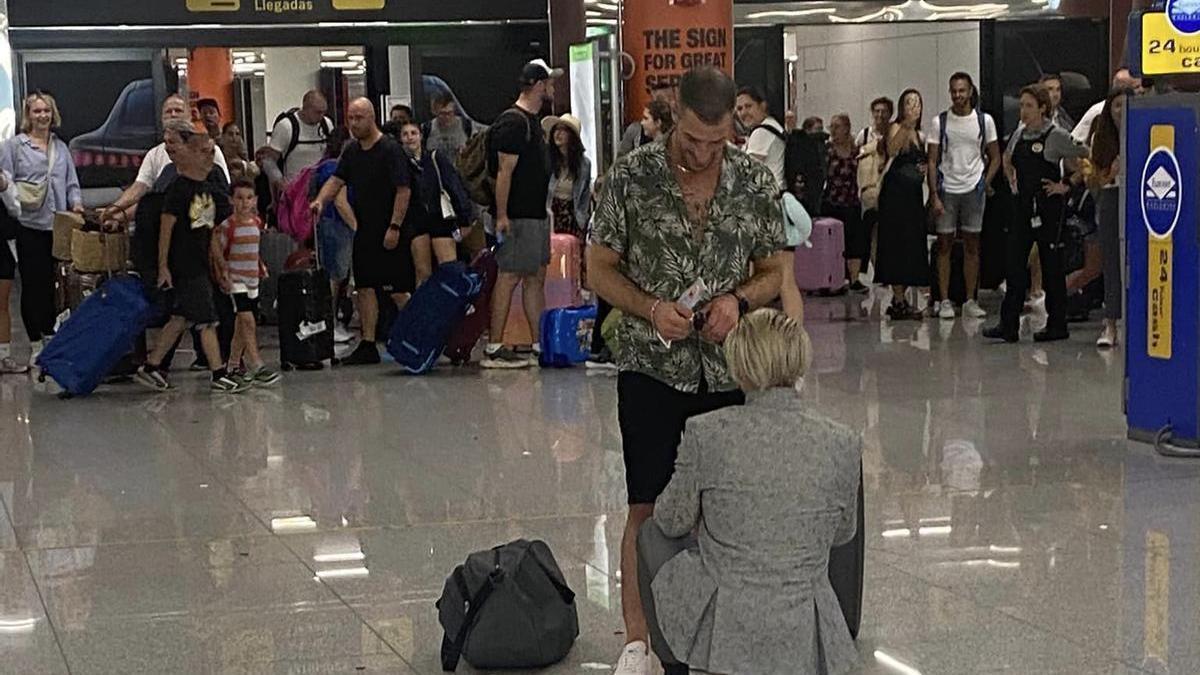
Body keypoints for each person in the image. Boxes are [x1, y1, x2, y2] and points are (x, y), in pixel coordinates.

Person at [587, 65, 786, 675]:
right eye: (692, 138)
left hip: (729, 371)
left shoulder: (754, 180)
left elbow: (775, 270)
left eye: (716, 140)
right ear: (673, 114)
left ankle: (721, 632)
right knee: (645, 504)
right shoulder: (629, 178)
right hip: (651, 367)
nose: (702, 152)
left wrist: (739, 301)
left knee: (727, 507)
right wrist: (648, 308)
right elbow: (597, 269)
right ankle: (637, 642)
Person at [637, 308, 860, 675]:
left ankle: (672, 660)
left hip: (728, 617)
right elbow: (843, 533)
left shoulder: (706, 432)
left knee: (649, 534)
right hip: (804, 614)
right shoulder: (843, 442)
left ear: (739, 365)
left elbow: (670, 520)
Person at [134, 121, 247, 394]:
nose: (211, 157)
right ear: (190, 153)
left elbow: (207, 232)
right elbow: (166, 228)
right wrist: (163, 266)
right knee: (206, 320)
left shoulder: (206, 189)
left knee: (181, 317)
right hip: (184, 266)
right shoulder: (179, 189)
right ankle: (219, 372)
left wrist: (218, 265)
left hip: (199, 264)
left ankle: (151, 366)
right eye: (205, 152)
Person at [309, 98, 415, 366]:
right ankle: (368, 343)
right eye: (351, 118)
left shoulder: (391, 150)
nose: (354, 124)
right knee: (365, 287)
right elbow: (336, 180)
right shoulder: (352, 152)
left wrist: (395, 226)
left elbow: (404, 191)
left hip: (389, 229)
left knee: (397, 290)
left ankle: (418, 335)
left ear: (372, 118)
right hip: (364, 229)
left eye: (359, 118)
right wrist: (321, 201)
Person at [984, 85, 1088, 343]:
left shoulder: (1056, 135)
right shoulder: (1019, 134)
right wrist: (1011, 179)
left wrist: (1067, 185)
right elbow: (1007, 158)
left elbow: (1085, 158)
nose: (1023, 110)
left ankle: (1057, 324)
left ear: (1042, 108)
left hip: (1048, 208)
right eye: (1021, 105)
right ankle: (1008, 324)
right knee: (1015, 264)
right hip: (1022, 207)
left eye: (1029, 106)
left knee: (1051, 267)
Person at [480, 59, 561, 369]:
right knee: (509, 275)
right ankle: (494, 346)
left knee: (535, 277)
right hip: (518, 215)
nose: (552, 88)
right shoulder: (513, 123)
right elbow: (504, 171)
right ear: (539, 85)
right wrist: (502, 214)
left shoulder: (532, 121)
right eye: (549, 83)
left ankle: (540, 343)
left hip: (536, 214)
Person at [0, 93, 83, 369]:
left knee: (55, 285)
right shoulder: (15, 147)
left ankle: (52, 339)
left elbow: (71, 181)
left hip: (57, 225)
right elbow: (6, 182)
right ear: (28, 114)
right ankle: (36, 342)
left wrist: (77, 206)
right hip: (28, 224)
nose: (42, 116)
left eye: (46, 110)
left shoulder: (61, 148)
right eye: (37, 111)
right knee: (33, 285)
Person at [927, 72, 1000, 321]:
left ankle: (971, 298)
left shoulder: (984, 121)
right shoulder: (940, 122)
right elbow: (932, 160)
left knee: (972, 245)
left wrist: (984, 182)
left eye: (962, 91)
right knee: (944, 245)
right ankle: (944, 299)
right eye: (954, 91)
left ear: (970, 92)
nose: (958, 96)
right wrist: (934, 194)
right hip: (948, 189)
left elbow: (996, 156)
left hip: (973, 190)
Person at [102, 94, 231, 220]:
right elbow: (144, 193)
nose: (173, 114)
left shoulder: (211, 156)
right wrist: (114, 211)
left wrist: (119, 216)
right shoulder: (163, 167)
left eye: (178, 110)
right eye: (169, 111)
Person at [737, 86, 804, 320]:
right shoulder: (776, 128)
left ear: (762, 105)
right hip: (781, 208)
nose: (743, 112)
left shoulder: (761, 133)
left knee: (778, 279)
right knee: (784, 277)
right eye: (739, 108)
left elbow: (747, 173)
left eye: (748, 106)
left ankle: (784, 335)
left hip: (768, 210)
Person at [211, 179, 279, 386]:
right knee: (247, 320)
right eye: (239, 198)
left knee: (243, 325)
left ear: (255, 200)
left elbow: (253, 251)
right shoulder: (227, 226)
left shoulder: (256, 223)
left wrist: (260, 267)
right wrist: (222, 272)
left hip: (252, 279)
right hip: (236, 279)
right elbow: (216, 251)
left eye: (249, 198)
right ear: (231, 200)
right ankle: (256, 363)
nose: (244, 203)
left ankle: (232, 364)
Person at [875, 89, 930, 321]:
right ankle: (897, 298)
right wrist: (906, 124)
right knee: (897, 243)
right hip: (896, 195)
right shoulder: (898, 128)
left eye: (917, 103)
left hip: (913, 196)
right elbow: (892, 149)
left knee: (911, 243)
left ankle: (903, 296)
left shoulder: (921, 135)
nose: (913, 107)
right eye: (909, 103)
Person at [399, 120, 473, 286]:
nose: (410, 138)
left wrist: (464, 218)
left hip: (441, 218)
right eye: (405, 134)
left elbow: (454, 186)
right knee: (422, 271)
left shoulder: (434, 158)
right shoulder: (401, 165)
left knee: (449, 268)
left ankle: (452, 307)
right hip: (416, 221)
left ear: (421, 136)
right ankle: (425, 308)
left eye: (413, 133)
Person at [1085, 88, 1129, 348]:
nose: (1121, 112)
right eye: (1117, 107)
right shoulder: (1100, 139)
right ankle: (1110, 323)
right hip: (1111, 197)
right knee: (1111, 262)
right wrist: (1111, 173)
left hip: (1137, 199)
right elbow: (1093, 182)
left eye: (1126, 106)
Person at [312, 127, 357, 344]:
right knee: (335, 276)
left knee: (336, 276)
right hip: (336, 226)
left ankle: (329, 323)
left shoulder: (326, 166)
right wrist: (357, 227)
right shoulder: (334, 169)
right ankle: (328, 324)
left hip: (330, 225)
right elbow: (340, 202)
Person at [825, 113, 867, 292]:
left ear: (847, 128)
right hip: (832, 202)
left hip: (852, 202)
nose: (833, 130)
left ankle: (855, 278)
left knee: (854, 242)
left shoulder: (857, 151)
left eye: (837, 126)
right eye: (831, 126)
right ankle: (833, 277)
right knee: (833, 244)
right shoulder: (827, 150)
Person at [263, 90, 333, 193]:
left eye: (324, 112)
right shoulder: (286, 127)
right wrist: (281, 183)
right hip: (295, 191)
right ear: (306, 108)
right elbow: (268, 161)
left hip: (322, 190)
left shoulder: (327, 124)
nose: (321, 116)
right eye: (318, 112)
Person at [545, 114, 592, 241]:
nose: (558, 134)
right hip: (551, 213)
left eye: (563, 130)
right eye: (556, 129)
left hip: (573, 216)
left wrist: (582, 218)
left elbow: (585, 194)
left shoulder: (584, 164)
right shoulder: (548, 160)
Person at [1072, 68, 1144, 144]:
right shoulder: (1097, 111)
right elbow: (1074, 144)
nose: (1142, 90)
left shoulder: (1142, 110)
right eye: (1136, 87)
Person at [619, 83, 677, 157]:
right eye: (654, 99)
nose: (657, 103)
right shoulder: (635, 130)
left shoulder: (680, 133)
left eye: (661, 99)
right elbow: (621, 160)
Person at [421, 92, 474, 158]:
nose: (446, 117)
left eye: (449, 113)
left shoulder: (467, 125)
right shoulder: (426, 128)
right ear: (435, 112)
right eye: (442, 113)